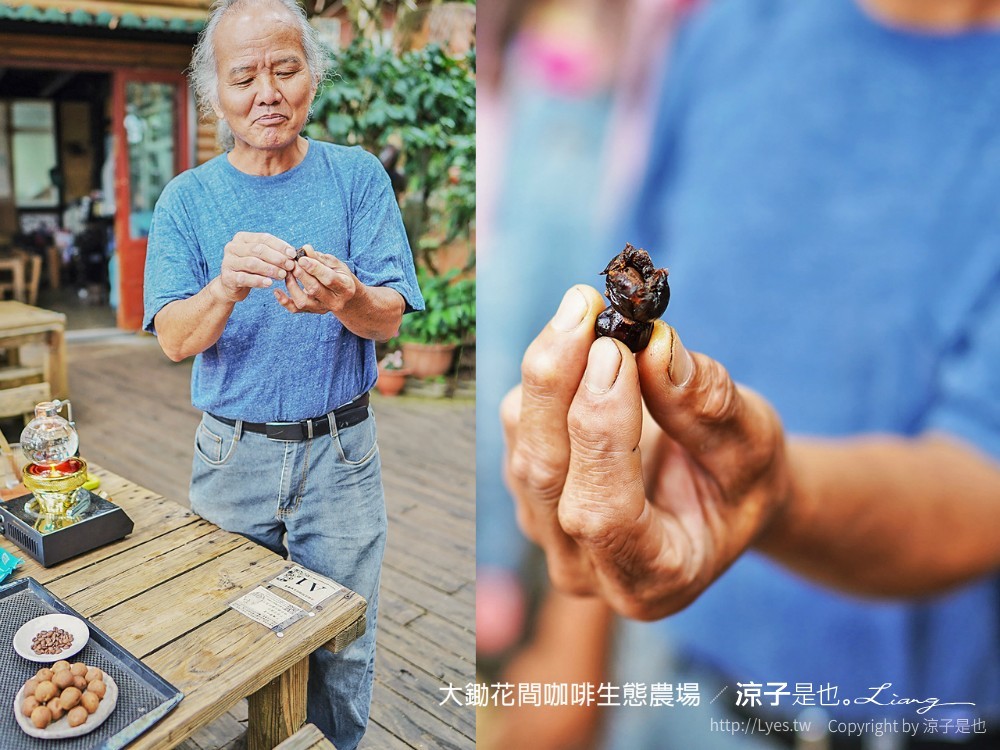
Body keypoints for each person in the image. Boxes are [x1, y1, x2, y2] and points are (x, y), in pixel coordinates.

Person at [498, 0, 1000, 746]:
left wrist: (773, 493)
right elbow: (619, 388)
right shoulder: (725, 35)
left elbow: (981, 477)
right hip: (675, 684)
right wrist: (574, 640)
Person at [142, 1, 423, 747]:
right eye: (244, 77)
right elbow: (174, 338)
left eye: (285, 68)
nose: (267, 91)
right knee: (233, 636)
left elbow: (389, 316)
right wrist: (224, 287)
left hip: (342, 453)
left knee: (343, 643)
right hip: (231, 456)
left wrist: (349, 297)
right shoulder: (187, 201)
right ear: (215, 97)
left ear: (312, 77)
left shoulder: (356, 177)